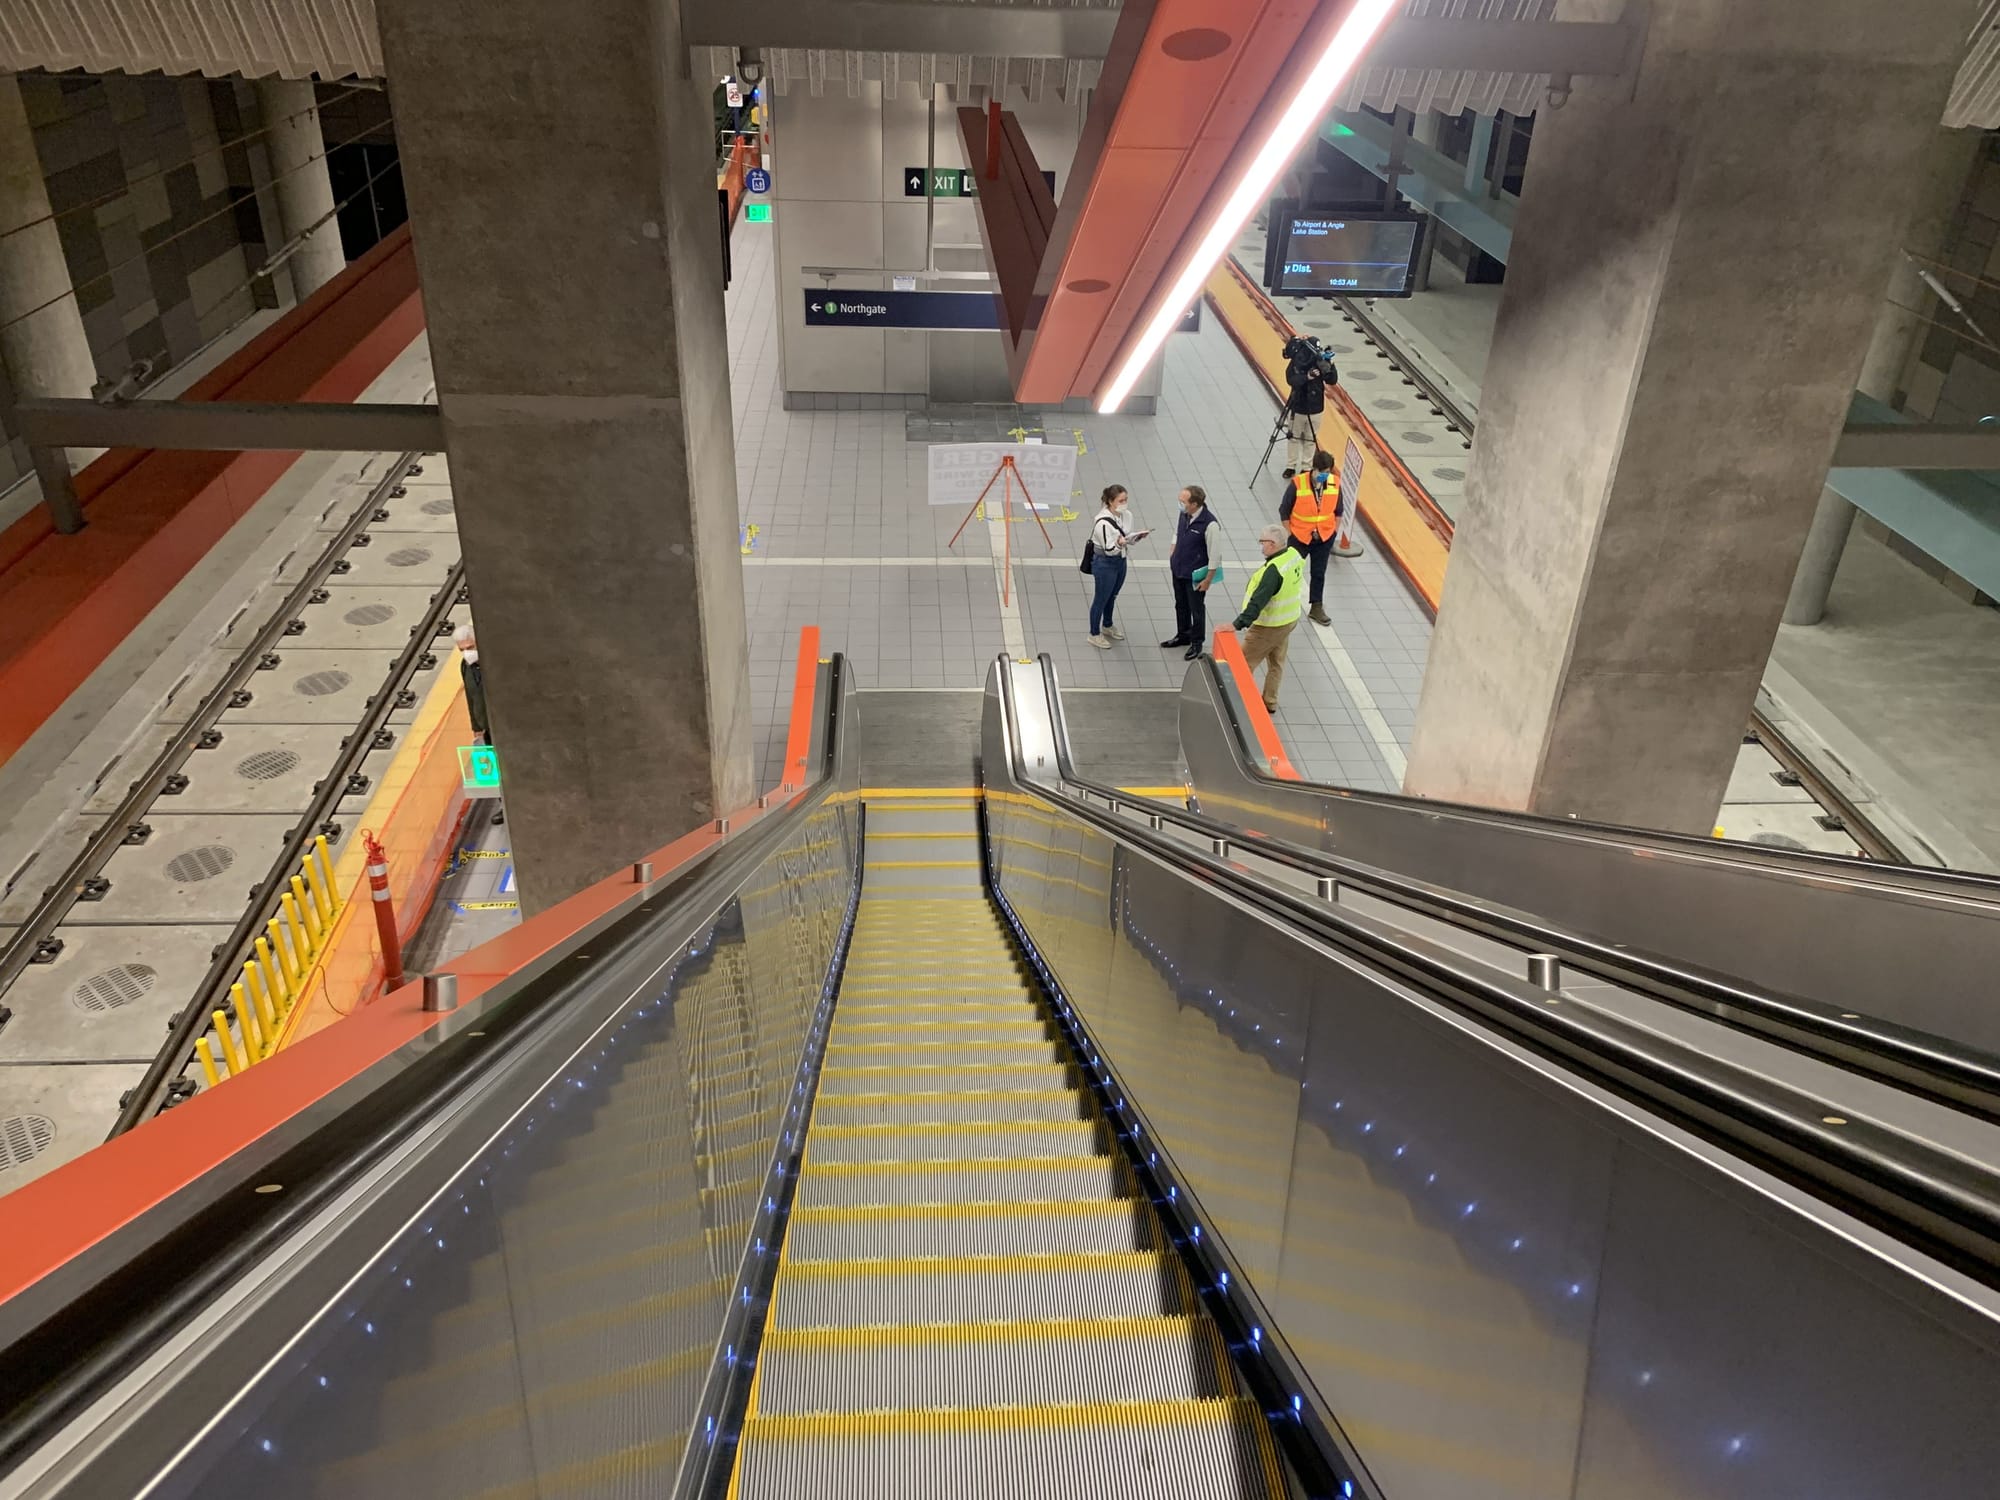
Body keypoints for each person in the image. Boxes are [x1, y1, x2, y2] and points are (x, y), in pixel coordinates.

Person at [1232, 525, 1306, 712]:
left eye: (1262, 542)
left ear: (1272, 544)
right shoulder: (1293, 555)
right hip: (1288, 620)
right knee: (1276, 663)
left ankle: (1239, 705)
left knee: (1242, 664)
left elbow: (1258, 601)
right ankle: (1270, 701)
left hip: (1268, 625)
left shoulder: (1274, 570)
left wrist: (1237, 624)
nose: (1261, 546)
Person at [1159, 485, 1221, 661]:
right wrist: (1173, 548)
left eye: (1183, 501)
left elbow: (1215, 554)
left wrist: (1208, 579)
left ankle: (1196, 642)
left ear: (1194, 504)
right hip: (1178, 569)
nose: (1180, 504)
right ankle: (1183, 634)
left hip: (1195, 574)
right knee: (1180, 604)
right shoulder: (1184, 514)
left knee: (1196, 609)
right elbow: (1178, 532)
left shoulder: (1210, 525)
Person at [1280, 448, 1340, 628]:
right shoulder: (1298, 484)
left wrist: (1333, 531)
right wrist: (1290, 533)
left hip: (1324, 536)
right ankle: (1281, 603)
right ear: (1313, 469)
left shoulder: (1335, 484)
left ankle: (1316, 606)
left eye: (1327, 472)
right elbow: (1284, 510)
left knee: (1318, 573)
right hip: (1299, 536)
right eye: (1321, 472)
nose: (1324, 476)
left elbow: (1339, 511)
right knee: (1290, 571)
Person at [1086, 485, 1147, 648]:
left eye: (1126, 499)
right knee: (1101, 598)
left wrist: (1137, 537)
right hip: (1105, 563)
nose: (1124, 503)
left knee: (1112, 595)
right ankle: (1094, 633)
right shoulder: (1102, 523)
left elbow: (1127, 538)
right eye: (1121, 500)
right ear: (1110, 502)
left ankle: (1107, 625)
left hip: (1121, 560)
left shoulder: (1127, 515)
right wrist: (1120, 544)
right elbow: (1109, 549)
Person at [1282, 337, 1332, 472]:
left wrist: (1329, 363)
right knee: (1293, 437)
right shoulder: (1297, 361)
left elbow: (1332, 380)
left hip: (1315, 409)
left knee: (1310, 439)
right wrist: (1307, 377)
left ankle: (1306, 467)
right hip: (1297, 407)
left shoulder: (1320, 362)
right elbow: (1291, 379)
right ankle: (1290, 465)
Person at [454, 624, 489, 744]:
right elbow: (470, 697)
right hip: (486, 729)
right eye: (462, 650)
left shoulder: (494, 665)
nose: (466, 653)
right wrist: (476, 728)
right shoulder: (466, 666)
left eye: (470, 647)